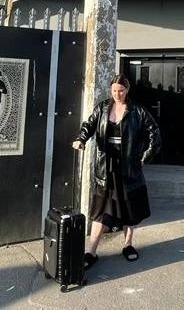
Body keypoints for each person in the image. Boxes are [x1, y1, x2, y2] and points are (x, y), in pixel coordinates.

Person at [72, 74, 161, 268]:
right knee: (99, 211)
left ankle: (128, 245)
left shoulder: (137, 110)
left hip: (128, 167)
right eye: (114, 90)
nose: (117, 94)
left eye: (121, 90)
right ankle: (91, 252)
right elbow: (89, 125)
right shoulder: (103, 108)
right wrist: (81, 139)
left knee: (129, 209)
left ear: (127, 90)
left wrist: (144, 158)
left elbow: (154, 133)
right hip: (105, 167)